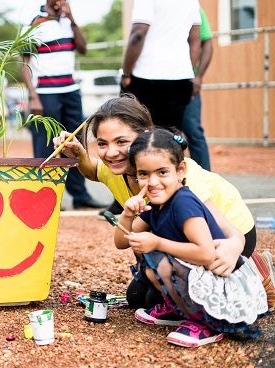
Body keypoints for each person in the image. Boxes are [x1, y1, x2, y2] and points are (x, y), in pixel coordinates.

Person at [53, 95, 275, 310]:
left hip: (225, 236)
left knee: (169, 301)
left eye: (121, 141)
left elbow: (223, 224)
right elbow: (93, 170)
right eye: (102, 143)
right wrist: (80, 154)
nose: (111, 152)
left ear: (144, 137)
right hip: (185, 240)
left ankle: (253, 270)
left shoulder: (177, 177)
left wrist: (235, 246)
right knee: (139, 298)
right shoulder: (117, 167)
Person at [117, 128, 267, 347]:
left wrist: (157, 242)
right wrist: (127, 215)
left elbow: (206, 254)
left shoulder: (183, 203)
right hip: (202, 274)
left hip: (221, 282)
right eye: (143, 174)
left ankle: (206, 323)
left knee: (156, 255)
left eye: (162, 172)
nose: (153, 182)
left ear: (180, 171)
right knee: (150, 261)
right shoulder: (157, 204)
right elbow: (121, 241)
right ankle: (180, 309)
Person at [20, 0, 105, 210]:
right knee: (46, 143)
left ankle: (80, 196)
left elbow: (83, 48)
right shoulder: (35, 23)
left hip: (70, 89)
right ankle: (43, 197)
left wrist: (73, 20)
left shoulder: (68, 22)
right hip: (45, 92)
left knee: (75, 142)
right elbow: (24, 62)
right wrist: (33, 96)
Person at [120, 0, 201, 130]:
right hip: (181, 80)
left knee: (138, 134)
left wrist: (126, 73)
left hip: (147, 79)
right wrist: (187, 73)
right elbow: (195, 41)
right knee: (170, 136)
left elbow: (137, 35)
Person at [181, 7, 213, 171]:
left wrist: (198, 76)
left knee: (192, 130)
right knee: (160, 133)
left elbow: (207, 42)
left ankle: (207, 184)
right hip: (158, 82)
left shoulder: (191, 6)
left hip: (186, 82)